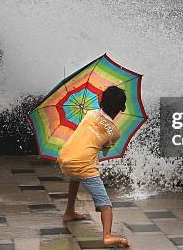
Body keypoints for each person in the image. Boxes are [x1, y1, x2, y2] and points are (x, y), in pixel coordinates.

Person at [57, 86, 130, 248]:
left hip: (65, 158)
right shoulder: (115, 133)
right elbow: (104, 150)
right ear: (122, 109)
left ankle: (69, 211)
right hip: (84, 165)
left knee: (75, 178)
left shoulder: (90, 113)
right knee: (105, 204)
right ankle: (107, 236)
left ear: (99, 101)